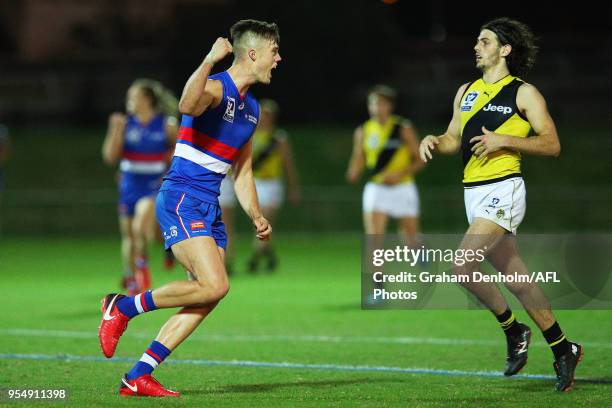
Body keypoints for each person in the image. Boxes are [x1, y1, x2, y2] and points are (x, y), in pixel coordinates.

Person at [98, 19, 279, 397]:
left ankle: (139, 374)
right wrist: (209, 60)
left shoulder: (252, 110)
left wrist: (256, 213)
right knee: (215, 283)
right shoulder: (214, 87)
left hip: (208, 203)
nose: (279, 58)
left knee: (210, 293)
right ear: (252, 53)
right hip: (182, 196)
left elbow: (242, 171)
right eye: (274, 51)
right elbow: (185, 104)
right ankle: (123, 307)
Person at [418, 17, 582, 392]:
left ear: (505, 50)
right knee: (519, 280)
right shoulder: (467, 91)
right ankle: (563, 347)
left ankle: (513, 330)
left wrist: (506, 141)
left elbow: (552, 144)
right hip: (472, 193)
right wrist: (433, 139)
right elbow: (452, 138)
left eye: (485, 41)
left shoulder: (523, 93)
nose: (477, 46)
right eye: (477, 40)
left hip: (504, 188)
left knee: (462, 264)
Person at [346, 85, 424, 299]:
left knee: (410, 240)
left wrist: (400, 174)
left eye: (380, 103)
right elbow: (359, 156)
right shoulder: (363, 131)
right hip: (376, 189)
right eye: (372, 103)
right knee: (374, 240)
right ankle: (379, 289)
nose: (375, 107)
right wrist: (354, 170)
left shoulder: (402, 128)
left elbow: (420, 160)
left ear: (389, 106)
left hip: (403, 188)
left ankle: (421, 258)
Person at [101, 79, 178, 295]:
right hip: (129, 185)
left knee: (140, 226)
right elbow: (109, 157)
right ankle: (131, 275)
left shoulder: (166, 125)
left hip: (153, 184)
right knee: (130, 236)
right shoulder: (125, 124)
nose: (129, 101)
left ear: (147, 100)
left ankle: (142, 266)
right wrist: (115, 130)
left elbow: (181, 151)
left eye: (133, 96)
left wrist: (170, 169)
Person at [247, 99, 300, 273]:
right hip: (255, 184)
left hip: (273, 184)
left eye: (268, 115)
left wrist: (293, 187)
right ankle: (270, 256)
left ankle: (254, 258)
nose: (265, 119)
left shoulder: (278, 138)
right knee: (260, 226)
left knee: (265, 222)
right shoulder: (251, 135)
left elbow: (288, 163)